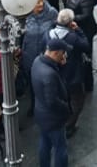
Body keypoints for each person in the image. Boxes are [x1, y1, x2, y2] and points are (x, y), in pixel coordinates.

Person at [30, 38, 72, 167]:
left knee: (44, 142)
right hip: (53, 118)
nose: (64, 55)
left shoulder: (37, 61)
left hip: (41, 114)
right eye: (63, 52)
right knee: (61, 148)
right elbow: (52, 101)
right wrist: (66, 108)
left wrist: (61, 65)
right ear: (55, 53)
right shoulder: (50, 74)